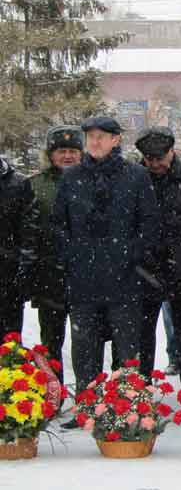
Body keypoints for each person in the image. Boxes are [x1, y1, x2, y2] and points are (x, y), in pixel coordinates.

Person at [53, 116, 159, 411]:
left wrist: (130, 254)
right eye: (91, 136)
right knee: (85, 347)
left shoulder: (136, 175)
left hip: (124, 278)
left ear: (115, 141)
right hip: (83, 278)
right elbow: (59, 225)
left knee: (126, 349)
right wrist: (72, 255)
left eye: (102, 136)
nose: (96, 142)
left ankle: (125, 405)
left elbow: (149, 222)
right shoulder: (72, 176)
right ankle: (88, 405)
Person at [134, 126, 181, 379]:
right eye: (149, 159)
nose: (155, 164)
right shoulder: (136, 176)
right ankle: (141, 384)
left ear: (172, 152)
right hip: (144, 265)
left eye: (160, 158)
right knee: (142, 333)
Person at [28, 125, 84, 382]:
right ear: (51, 154)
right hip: (48, 276)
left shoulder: (94, 182)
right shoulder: (34, 186)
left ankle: (87, 395)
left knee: (86, 342)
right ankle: (53, 393)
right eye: (62, 151)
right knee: (50, 341)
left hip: (86, 275)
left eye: (73, 151)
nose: (68, 156)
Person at [0, 155, 36, 336]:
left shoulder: (18, 184)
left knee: (9, 348)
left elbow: (29, 233)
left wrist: (24, 269)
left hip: (8, 279)